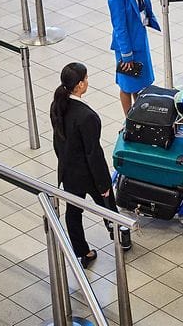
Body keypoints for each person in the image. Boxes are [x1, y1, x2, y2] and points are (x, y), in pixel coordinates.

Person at [49, 62, 121, 269]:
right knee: (108, 208)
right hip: (89, 174)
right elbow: (93, 153)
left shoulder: (58, 105)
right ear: (79, 85)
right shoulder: (86, 116)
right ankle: (119, 238)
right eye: (86, 78)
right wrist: (104, 184)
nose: (88, 81)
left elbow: (58, 141)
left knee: (73, 212)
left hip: (69, 172)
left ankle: (82, 252)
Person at [108, 0, 174, 116]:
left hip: (140, 38)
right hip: (127, 44)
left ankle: (141, 116)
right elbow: (119, 26)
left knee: (141, 83)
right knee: (127, 85)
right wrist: (127, 55)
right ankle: (129, 118)